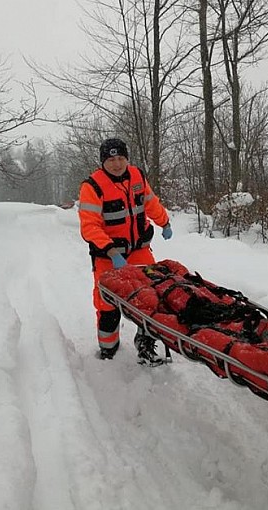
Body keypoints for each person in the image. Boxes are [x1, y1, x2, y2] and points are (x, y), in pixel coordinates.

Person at [78, 138, 173, 364]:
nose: (117, 164)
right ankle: (108, 349)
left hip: (139, 249)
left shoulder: (137, 176)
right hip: (108, 255)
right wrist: (111, 251)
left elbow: (150, 203)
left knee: (150, 298)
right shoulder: (93, 186)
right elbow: (89, 226)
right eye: (111, 159)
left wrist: (165, 222)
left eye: (121, 158)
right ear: (103, 161)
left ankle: (146, 345)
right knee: (107, 304)